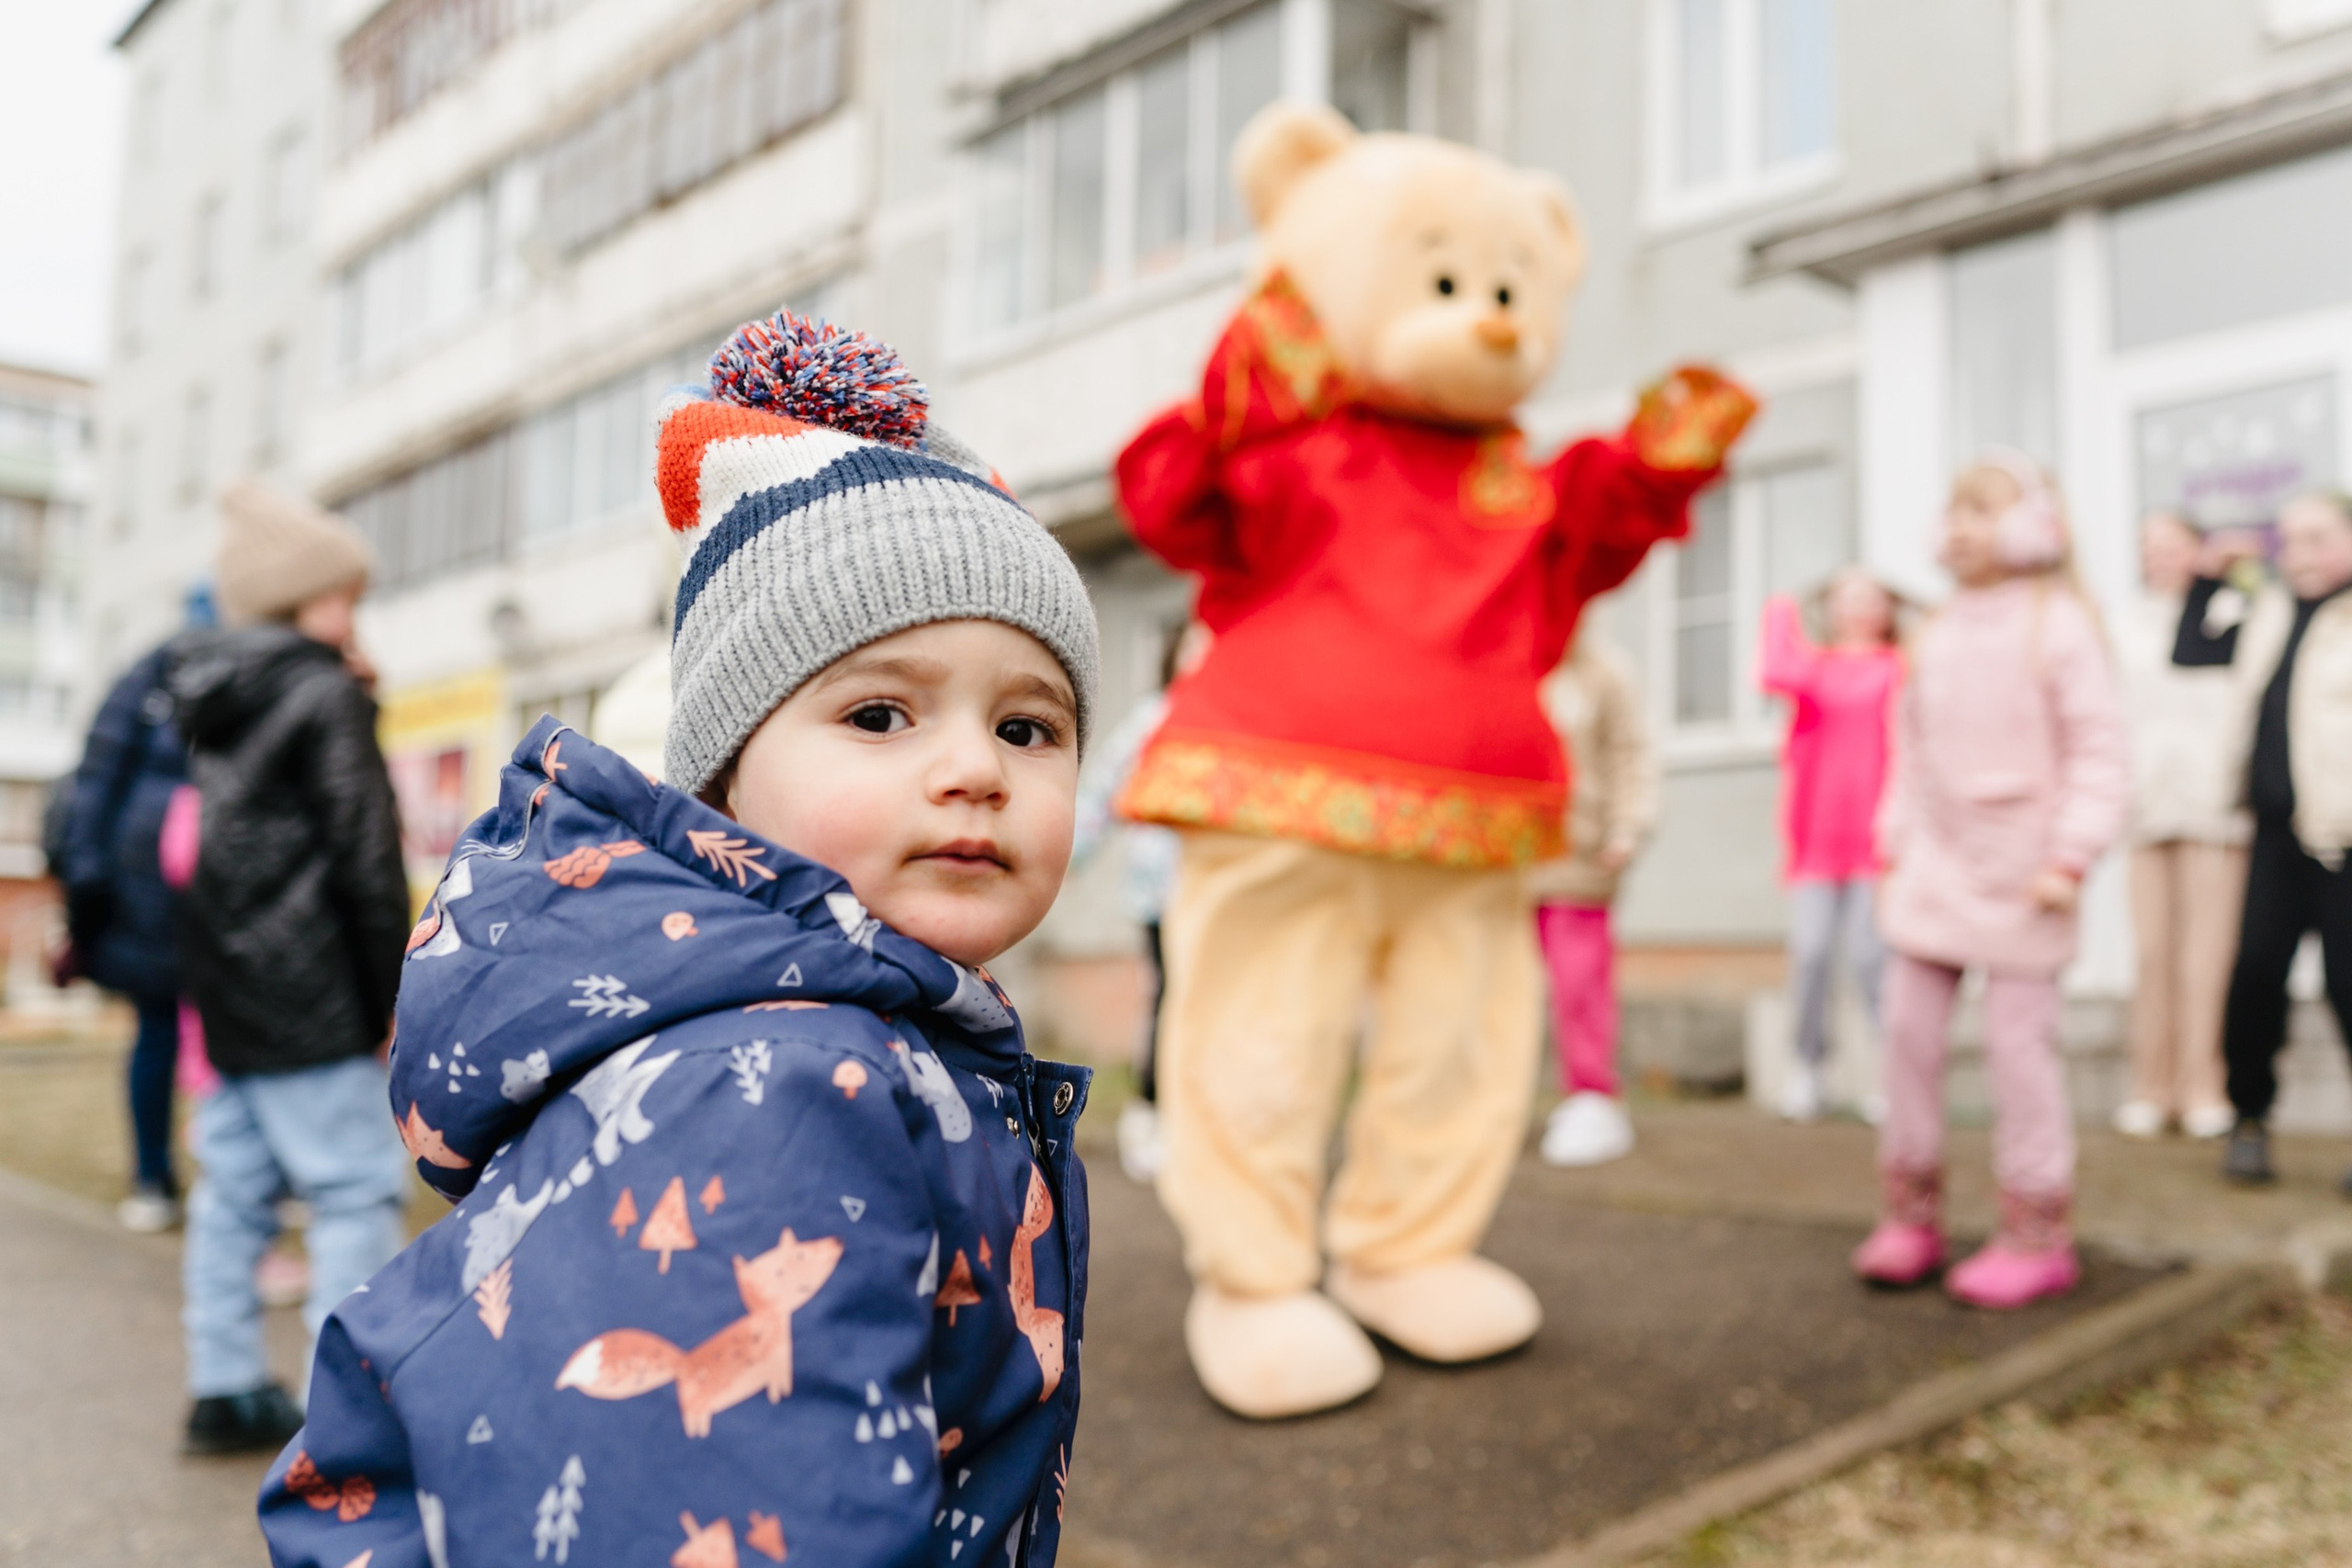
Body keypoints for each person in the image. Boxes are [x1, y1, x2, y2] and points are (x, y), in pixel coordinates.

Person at [258, 311, 1099, 1568]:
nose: (974, 766)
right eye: (881, 712)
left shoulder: (877, 1036)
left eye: (1030, 726)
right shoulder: (775, 1084)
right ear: (719, 786)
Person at [168, 479, 414, 1455]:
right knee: (353, 1189)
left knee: (234, 1193)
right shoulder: (321, 692)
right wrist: (392, 993)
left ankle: (222, 1383)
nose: (353, 606)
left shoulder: (216, 695)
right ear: (300, 596)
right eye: (342, 590)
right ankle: (343, 1408)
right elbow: (365, 854)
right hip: (313, 990)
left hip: (230, 986)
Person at [1852, 453, 2128, 1310]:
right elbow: (1911, 753)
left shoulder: (2061, 624)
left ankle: (2037, 1232)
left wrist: (2069, 856)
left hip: (2025, 877)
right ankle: (1911, 1211)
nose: (1960, 525)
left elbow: (2098, 752)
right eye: (1953, 508)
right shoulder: (1932, 629)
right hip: (1935, 872)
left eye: (1982, 509)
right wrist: (1891, 847)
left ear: (2035, 525)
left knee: (2018, 1053)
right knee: (1905, 1034)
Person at [2199, 494, 2352, 1187]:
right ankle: (2250, 1117)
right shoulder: (2269, 611)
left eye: (2318, 537)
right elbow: (2192, 645)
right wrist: (2214, 576)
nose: (2301, 554)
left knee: (2348, 987)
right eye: (2288, 541)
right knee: (2256, 977)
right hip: (2275, 835)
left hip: (2344, 841)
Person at [48, 599, 205, 1231]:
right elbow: (93, 785)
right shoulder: (160, 681)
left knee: (166, 1036)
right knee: (182, 1035)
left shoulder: (145, 681)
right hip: (165, 901)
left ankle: (160, 1178)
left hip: (162, 899)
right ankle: (166, 1176)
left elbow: (93, 784)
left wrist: (86, 893)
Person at [2115, 512, 2247, 1141]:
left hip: (2212, 808)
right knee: (2151, 951)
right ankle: (2152, 1084)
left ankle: (2203, 1084)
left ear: (2198, 550)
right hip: (2144, 808)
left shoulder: (2229, 610)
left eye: (2173, 547)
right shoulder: (2124, 621)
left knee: (2206, 955)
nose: (2160, 558)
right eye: (2150, 548)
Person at [1758, 568, 1904, 1122]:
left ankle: (1894, 1076)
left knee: (1872, 958)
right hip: (1818, 840)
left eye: (1872, 598)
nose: (1861, 609)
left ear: (1888, 609)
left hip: (1879, 842)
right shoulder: (1814, 669)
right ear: (1832, 609)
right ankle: (1807, 1068)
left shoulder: (1898, 670)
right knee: (1812, 953)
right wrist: (1780, 605)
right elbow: (1773, 669)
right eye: (1849, 599)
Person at [1070, 619, 1210, 1183]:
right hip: (1161, 897)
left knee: (1219, 1008)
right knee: (1170, 1001)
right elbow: (1103, 789)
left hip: (1222, 900)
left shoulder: (1237, 724)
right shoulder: (1156, 721)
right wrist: (1063, 856)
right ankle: (1149, 1115)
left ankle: (1204, 1127)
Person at [1525, 623, 1657, 1166]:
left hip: (1581, 857)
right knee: (1495, 985)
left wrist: (1629, 825)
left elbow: (1631, 753)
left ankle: (1592, 1096)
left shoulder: (1604, 669)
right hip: (1507, 857)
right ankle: (1494, 1101)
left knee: (1578, 980)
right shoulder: (1509, 658)